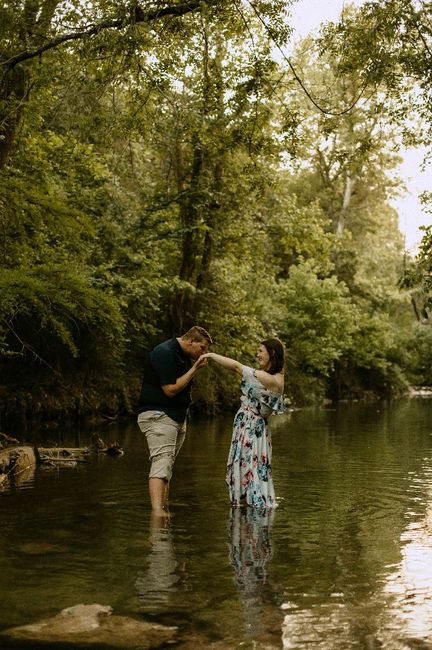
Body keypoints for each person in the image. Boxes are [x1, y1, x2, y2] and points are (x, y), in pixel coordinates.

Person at [137, 326, 212, 515]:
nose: (204, 353)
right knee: (161, 462)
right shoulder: (165, 352)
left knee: (167, 465)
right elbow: (169, 389)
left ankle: (163, 508)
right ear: (191, 341)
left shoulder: (183, 354)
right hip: (158, 415)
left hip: (175, 417)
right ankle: (157, 513)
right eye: (202, 348)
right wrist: (195, 369)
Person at [203, 338, 285, 508]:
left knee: (249, 464)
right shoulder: (278, 376)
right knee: (253, 465)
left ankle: (251, 504)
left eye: (261, 350)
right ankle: (249, 502)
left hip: (251, 427)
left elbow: (236, 367)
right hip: (255, 428)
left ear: (272, 353)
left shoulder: (267, 378)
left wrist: (210, 355)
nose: (258, 354)